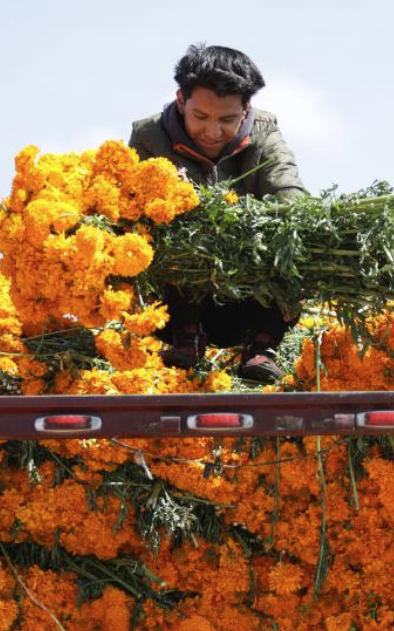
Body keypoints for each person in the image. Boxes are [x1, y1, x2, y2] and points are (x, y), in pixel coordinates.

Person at [129, 44, 306, 383]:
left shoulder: (266, 132)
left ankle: (261, 348)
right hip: (179, 298)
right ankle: (187, 337)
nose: (213, 132)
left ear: (246, 108)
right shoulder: (148, 138)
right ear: (181, 100)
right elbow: (133, 213)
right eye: (201, 117)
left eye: (227, 120)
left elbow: (290, 193)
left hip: (251, 296)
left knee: (301, 235)